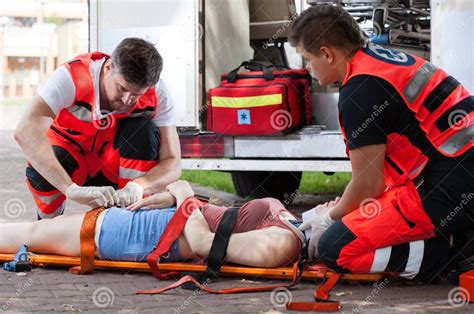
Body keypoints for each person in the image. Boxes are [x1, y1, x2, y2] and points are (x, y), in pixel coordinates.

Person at [288, 5, 473, 282]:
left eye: (307, 59)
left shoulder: (359, 92)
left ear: (327, 53)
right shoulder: (382, 60)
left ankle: (451, 254)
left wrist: (331, 218)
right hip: (455, 177)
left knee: (336, 248)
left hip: (450, 189)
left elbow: (368, 187)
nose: (307, 68)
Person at [14, 38, 182, 219]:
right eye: (122, 88)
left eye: (136, 94)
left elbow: (173, 162)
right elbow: (25, 130)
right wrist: (70, 190)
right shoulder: (71, 77)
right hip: (70, 164)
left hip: (113, 169)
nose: (127, 100)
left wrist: (139, 186)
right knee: (40, 164)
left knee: (144, 131)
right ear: (108, 67)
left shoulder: (158, 93)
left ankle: (127, 217)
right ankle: (48, 223)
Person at [0, 181, 303, 269]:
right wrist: (174, 196)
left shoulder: (285, 243)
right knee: (36, 231)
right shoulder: (291, 225)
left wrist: (184, 192)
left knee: (33, 233)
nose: (336, 201)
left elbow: (202, 243)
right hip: (160, 222)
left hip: (152, 236)